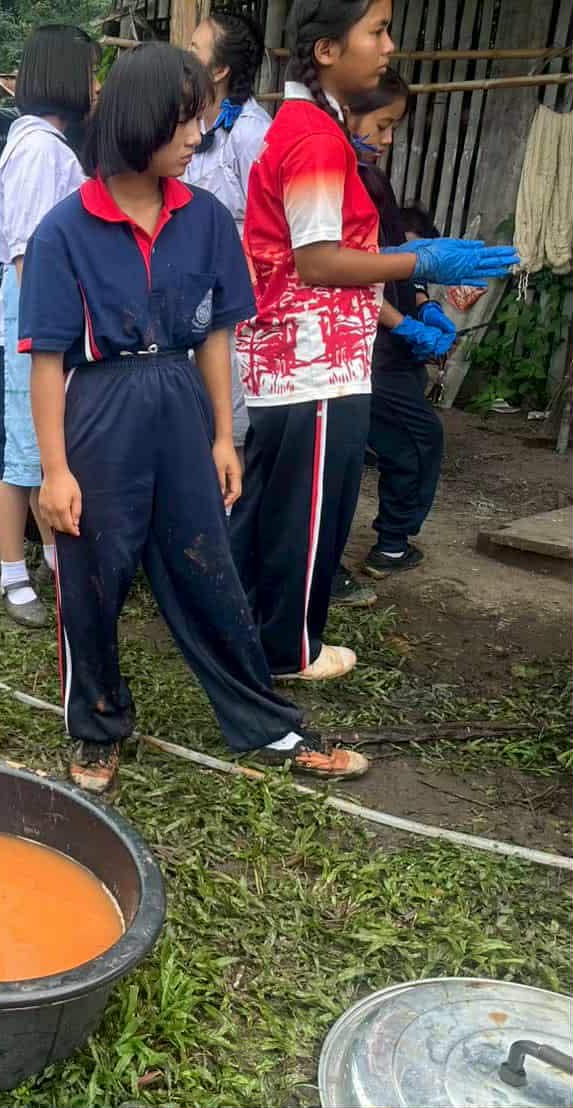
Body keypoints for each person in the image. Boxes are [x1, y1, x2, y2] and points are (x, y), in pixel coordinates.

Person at [19, 43, 359, 793]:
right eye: (183, 121)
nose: (197, 137)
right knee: (91, 577)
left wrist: (222, 436)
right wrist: (54, 471)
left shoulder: (204, 217)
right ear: (139, 121)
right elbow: (45, 361)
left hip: (179, 400)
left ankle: (264, 723)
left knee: (208, 569)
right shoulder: (63, 230)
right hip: (98, 407)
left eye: (200, 120)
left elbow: (215, 337)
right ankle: (97, 725)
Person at [229, 0, 517, 681]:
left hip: (297, 355)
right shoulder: (315, 138)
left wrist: (408, 276)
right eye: (377, 30)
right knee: (309, 515)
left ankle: (239, 625)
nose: (389, 46)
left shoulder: (309, 127)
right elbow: (317, 261)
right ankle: (288, 651)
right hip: (311, 359)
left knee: (276, 508)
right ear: (327, 50)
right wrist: (419, 261)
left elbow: (315, 249)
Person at [0, 23, 100, 629]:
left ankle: (57, 562)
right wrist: (49, 333)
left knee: (40, 450)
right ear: (66, 76)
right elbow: (29, 254)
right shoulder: (37, 150)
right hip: (31, 323)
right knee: (16, 460)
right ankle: (13, 574)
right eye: (90, 72)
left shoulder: (48, 144)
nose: (96, 85)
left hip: (44, 322)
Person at [344, 72, 452, 580]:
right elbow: (355, 275)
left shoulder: (373, 180)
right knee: (417, 437)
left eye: (393, 128)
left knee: (401, 440)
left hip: (391, 341)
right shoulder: (346, 183)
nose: (387, 139)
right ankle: (389, 544)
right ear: (349, 113)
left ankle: (389, 541)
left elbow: (394, 260)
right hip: (371, 348)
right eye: (382, 125)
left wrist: (423, 304)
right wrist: (404, 323)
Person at [184, 7, 271, 448]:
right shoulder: (192, 124)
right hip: (190, 291)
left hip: (237, 299)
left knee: (229, 422)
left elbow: (270, 225)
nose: (185, 57)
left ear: (219, 70)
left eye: (194, 49)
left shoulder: (252, 134)